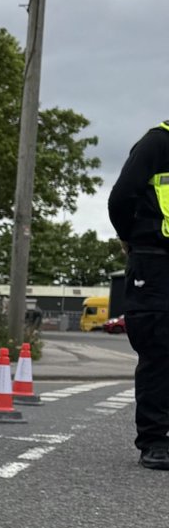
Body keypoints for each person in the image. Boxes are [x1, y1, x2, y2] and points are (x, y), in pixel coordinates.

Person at [107, 118, 169, 470]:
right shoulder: (158, 143)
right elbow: (121, 197)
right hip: (156, 262)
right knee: (159, 349)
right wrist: (135, 240)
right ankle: (154, 440)